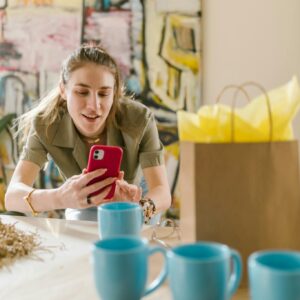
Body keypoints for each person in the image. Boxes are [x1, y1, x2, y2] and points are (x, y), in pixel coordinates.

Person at [4, 44, 171, 223]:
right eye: (82, 92)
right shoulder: (46, 123)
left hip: (136, 198)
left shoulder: (139, 118)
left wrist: (138, 208)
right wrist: (59, 197)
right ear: (63, 90)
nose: (94, 106)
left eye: (104, 93)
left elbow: (162, 192)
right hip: (80, 200)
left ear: (114, 93)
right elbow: (12, 197)